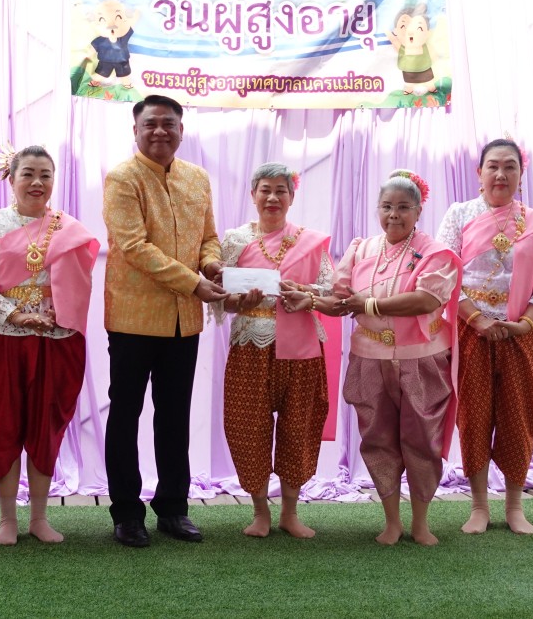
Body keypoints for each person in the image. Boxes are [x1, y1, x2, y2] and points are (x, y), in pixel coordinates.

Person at [102, 95, 228, 548]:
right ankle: (126, 513)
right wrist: (194, 282)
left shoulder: (197, 177)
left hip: (183, 322)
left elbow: (209, 237)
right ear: (135, 130)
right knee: (125, 415)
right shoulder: (122, 178)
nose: (160, 131)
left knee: (175, 416)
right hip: (133, 317)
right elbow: (134, 247)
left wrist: (211, 264)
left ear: (181, 129)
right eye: (151, 123)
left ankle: (173, 508)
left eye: (168, 123)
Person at [0, 145, 101, 545]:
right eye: (28, 173)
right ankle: (7, 519)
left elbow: (80, 284)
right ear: (11, 179)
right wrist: (14, 314)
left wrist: (60, 313)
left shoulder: (67, 228)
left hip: (53, 341)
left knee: (46, 426)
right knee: (1, 424)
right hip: (0, 339)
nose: (37, 182)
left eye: (45, 174)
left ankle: (39, 517)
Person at [318, 170, 460, 546]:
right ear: (377, 209)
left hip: (422, 359)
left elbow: (426, 300)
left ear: (418, 211)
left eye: (403, 207)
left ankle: (421, 522)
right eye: (386, 206)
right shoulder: (362, 249)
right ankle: (392, 521)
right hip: (369, 357)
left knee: (423, 439)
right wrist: (309, 299)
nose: (393, 215)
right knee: (377, 438)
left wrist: (369, 304)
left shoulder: (435, 253)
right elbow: (339, 298)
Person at [437, 138, 533, 536]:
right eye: (493, 166)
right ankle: (478, 506)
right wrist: (476, 319)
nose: (501, 174)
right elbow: (443, 273)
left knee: (519, 417)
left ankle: (514, 506)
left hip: (523, 335)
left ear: (521, 176)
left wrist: (523, 323)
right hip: (470, 331)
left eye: (510, 166)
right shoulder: (459, 215)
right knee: (473, 416)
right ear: (479, 173)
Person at [214, 163, 332, 539]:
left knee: (299, 426)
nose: (273, 197)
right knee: (249, 425)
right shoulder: (235, 240)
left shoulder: (310, 241)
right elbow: (220, 295)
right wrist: (239, 300)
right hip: (251, 345)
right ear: (253, 195)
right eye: (265, 189)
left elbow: (329, 289)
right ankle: (260, 512)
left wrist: (307, 294)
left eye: (281, 190)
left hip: (302, 348)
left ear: (292, 197)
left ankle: (290, 513)